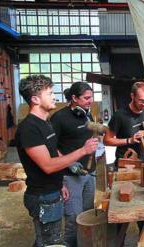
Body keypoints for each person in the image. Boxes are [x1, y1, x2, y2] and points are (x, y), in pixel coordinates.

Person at [15, 75, 98, 247]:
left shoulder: (45, 123)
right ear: (35, 99)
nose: (55, 97)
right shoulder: (29, 128)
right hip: (42, 196)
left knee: (50, 239)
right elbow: (47, 165)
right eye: (50, 93)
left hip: (53, 190)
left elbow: (54, 154)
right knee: (47, 242)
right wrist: (83, 150)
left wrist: (60, 184)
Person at [50, 82, 96, 247]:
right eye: (86, 98)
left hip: (89, 173)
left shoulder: (86, 115)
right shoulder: (58, 118)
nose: (90, 100)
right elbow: (51, 147)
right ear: (74, 98)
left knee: (88, 216)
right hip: (70, 176)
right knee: (74, 218)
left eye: (91, 97)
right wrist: (69, 163)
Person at [104, 81, 144, 166]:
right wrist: (129, 140)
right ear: (132, 96)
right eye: (141, 100)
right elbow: (107, 140)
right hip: (125, 162)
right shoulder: (119, 115)